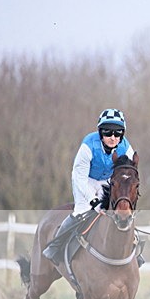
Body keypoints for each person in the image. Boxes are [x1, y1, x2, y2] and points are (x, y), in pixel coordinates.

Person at [42, 108, 136, 265]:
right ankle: (55, 246)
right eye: (108, 132)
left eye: (118, 133)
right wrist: (93, 201)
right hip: (85, 180)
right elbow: (79, 178)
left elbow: (129, 176)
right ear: (100, 133)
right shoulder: (88, 146)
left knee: (121, 211)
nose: (113, 137)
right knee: (82, 212)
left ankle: (134, 246)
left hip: (108, 181)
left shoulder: (126, 149)